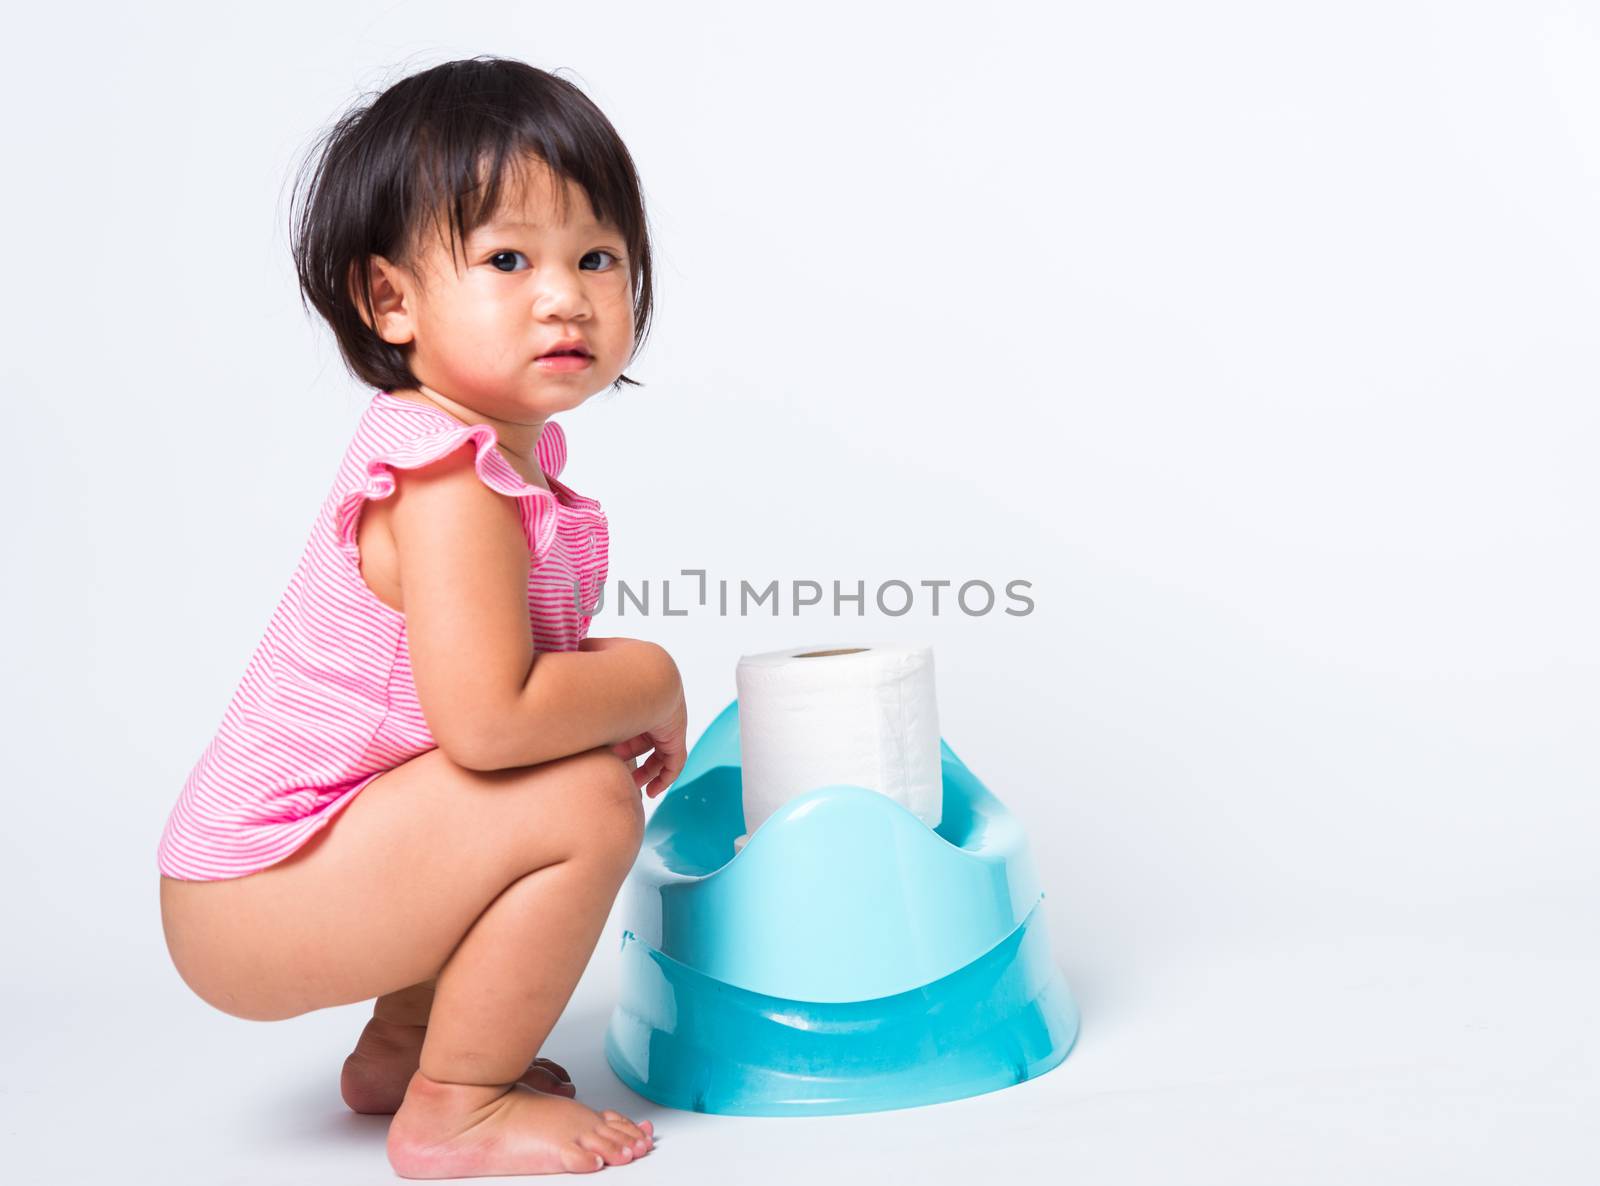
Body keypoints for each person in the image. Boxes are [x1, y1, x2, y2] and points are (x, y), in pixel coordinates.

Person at [156, 56, 682, 1177]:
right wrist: (645, 675)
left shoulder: (488, 461)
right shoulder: (446, 482)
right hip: (258, 890)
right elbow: (492, 722)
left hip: (297, 868)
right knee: (582, 793)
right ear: (389, 299)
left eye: (597, 256)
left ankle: (404, 1046)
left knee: (530, 773)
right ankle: (459, 1103)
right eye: (506, 258)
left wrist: (598, 683)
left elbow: (468, 719)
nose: (566, 294)